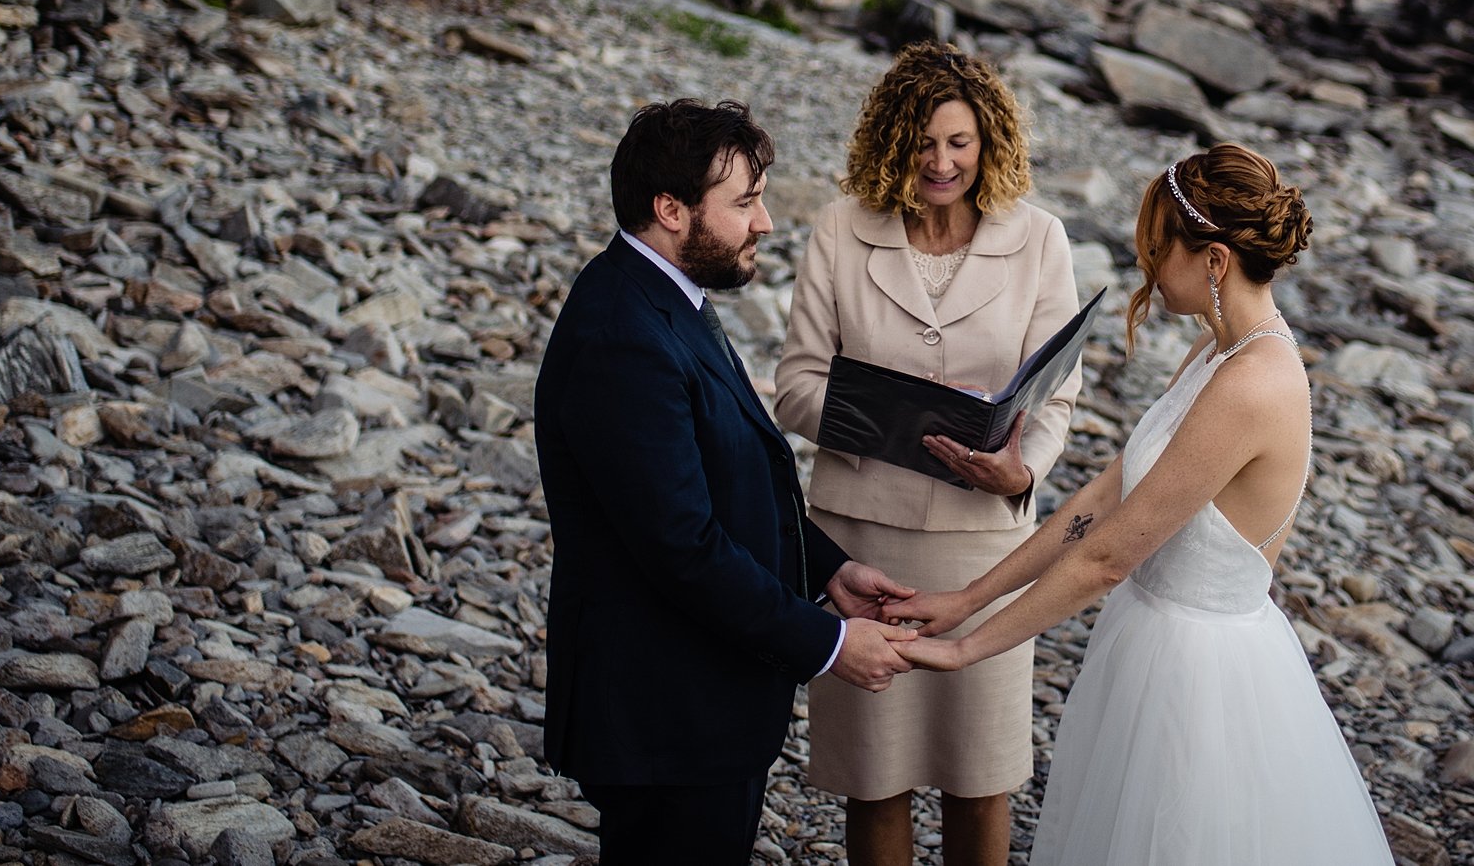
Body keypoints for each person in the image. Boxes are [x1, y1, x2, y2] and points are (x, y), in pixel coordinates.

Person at [901, 144, 1397, 865]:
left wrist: (966, 648)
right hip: (1151, 640)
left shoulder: (1255, 381)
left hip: (1203, 680)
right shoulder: (1217, 351)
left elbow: (1107, 555)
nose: (1150, 268)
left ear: (1216, 261)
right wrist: (967, 597)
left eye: (1160, 248)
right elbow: (1110, 493)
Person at [534, 99, 923, 866]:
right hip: (663, 713)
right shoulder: (622, 334)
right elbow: (681, 543)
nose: (766, 221)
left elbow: (735, 481)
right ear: (670, 209)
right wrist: (830, 642)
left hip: (698, 698)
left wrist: (831, 571)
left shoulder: (668, 299)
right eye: (744, 202)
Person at [774, 44, 1087, 866]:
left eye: (959, 142)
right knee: (873, 780)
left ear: (989, 143)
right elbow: (795, 386)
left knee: (980, 777)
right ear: (891, 141)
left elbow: (1056, 396)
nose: (941, 162)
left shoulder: (1041, 239)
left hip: (984, 548)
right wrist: (878, 417)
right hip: (861, 547)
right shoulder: (842, 227)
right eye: (923, 142)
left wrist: (1022, 473)